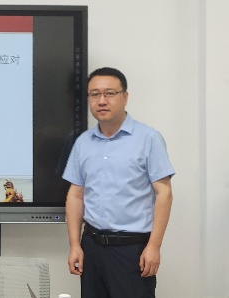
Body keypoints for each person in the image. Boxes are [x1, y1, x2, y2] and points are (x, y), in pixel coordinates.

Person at [62, 67, 175, 298]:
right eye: (94, 94)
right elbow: (75, 194)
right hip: (91, 247)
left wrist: (154, 247)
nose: (101, 101)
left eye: (110, 93)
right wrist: (75, 245)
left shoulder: (148, 138)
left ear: (125, 96)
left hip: (131, 250)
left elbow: (164, 193)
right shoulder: (83, 142)